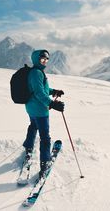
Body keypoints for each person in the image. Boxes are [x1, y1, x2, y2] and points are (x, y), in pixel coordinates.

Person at [22, 49, 65, 178]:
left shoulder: (35, 72)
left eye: (46, 59)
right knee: (45, 137)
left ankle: (28, 148)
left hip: (31, 108)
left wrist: (54, 91)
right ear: (36, 60)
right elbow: (39, 93)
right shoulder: (37, 73)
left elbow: (43, 89)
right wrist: (52, 103)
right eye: (42, 59)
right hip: (40, 110)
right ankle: (44, 163)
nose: (45, 61)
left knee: (33, 126)